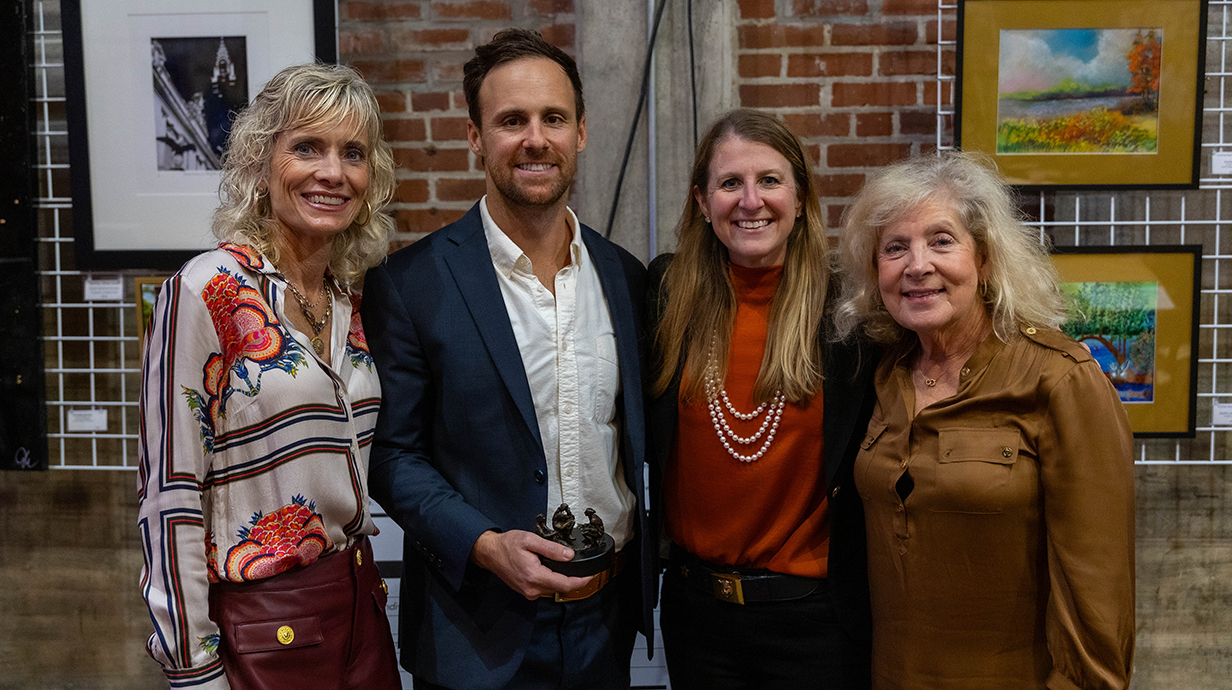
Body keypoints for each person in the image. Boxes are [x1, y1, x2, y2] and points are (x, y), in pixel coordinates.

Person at [362, 29, 654, 690]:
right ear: (475, 138)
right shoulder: (412, 285)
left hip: (603, 624)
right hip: (476, 631)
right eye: (510, 121)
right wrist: (488, 547)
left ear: (580, 132)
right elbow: (392, 456)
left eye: (553, 118)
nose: (534, 138)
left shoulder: (625, 278)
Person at [137, 63, 399, 689]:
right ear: (261, 162)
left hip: (362, 609)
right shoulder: (206, 291)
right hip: (266, 628)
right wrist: (193, 669)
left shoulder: (347, 301)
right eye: (307, 147)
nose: (333, 172)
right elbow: (169, 495)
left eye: (353, 153)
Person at [834, 151, 1135, 689]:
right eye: (895, 248)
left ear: (986, 259)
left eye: (941, 240)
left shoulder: (1060, 379)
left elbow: (1098, 600)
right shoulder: (879, 377)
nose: (917, 264)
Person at [647, 109, 877, 689]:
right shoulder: (664, 295)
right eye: (730, 184)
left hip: (817, 624)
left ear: (800, 197)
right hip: (695, 617)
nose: (751, 201)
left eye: (770, 180)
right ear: (702, 202)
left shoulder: (849, 313)